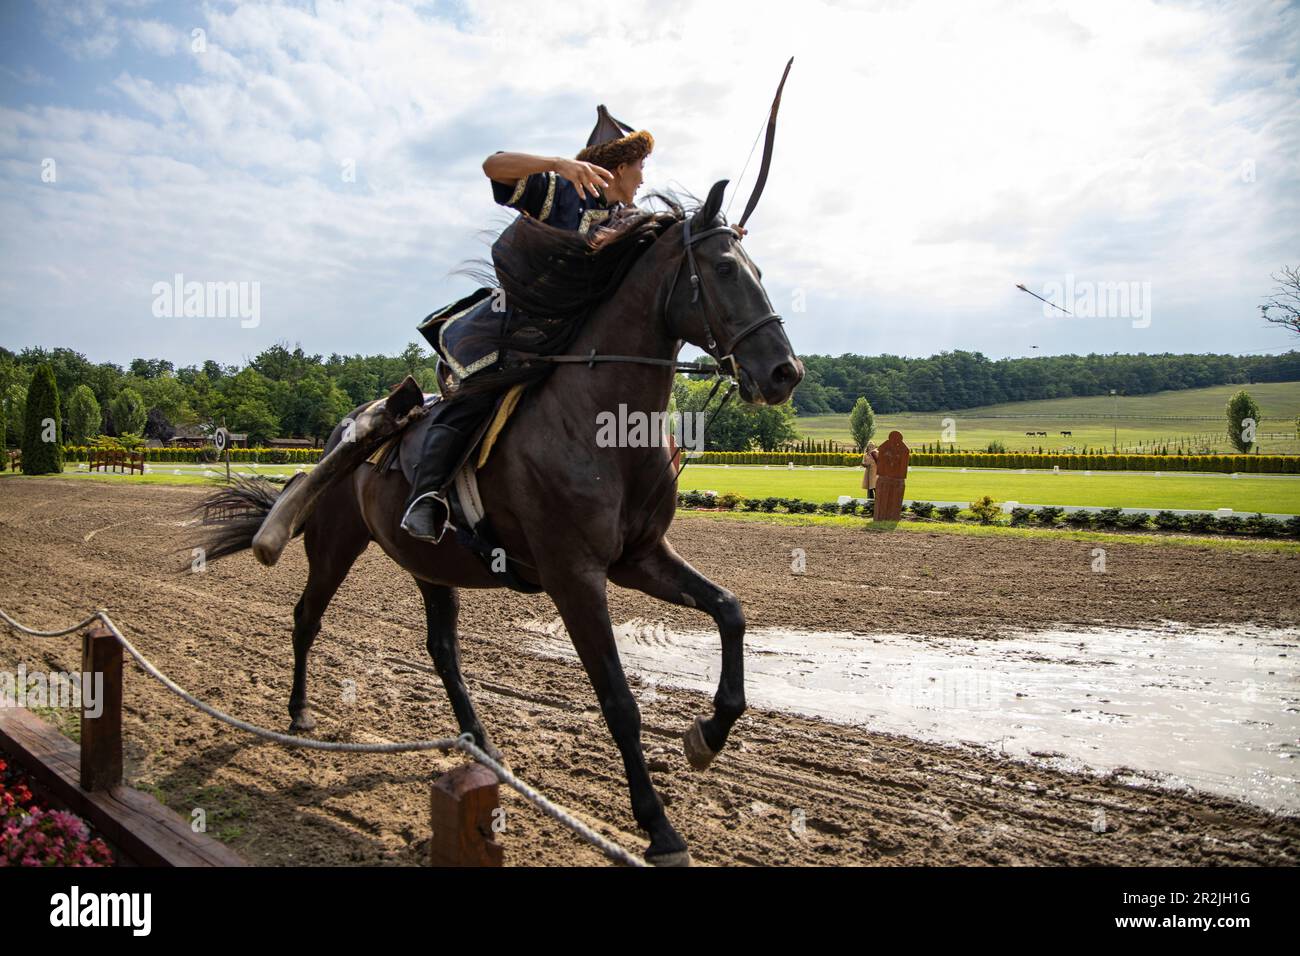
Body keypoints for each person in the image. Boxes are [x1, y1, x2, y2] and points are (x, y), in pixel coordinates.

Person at [400, 107, 655, 542]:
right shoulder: (558, 189)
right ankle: (426, 497)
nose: (643, 180)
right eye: (640, 167)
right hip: (511, 326)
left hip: (570, 336)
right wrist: (557, 163)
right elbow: (492, 165)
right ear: (618, 167)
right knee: (477, 395)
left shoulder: (626, 221)